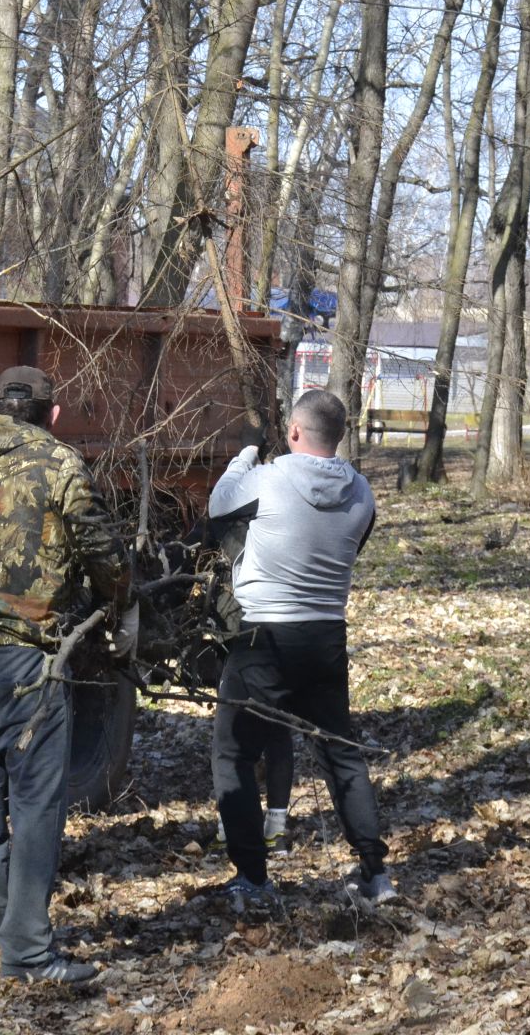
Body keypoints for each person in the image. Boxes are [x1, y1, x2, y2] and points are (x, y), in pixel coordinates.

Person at [0, 365, 132, 987]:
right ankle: (27, 954)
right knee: (38, 805)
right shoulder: (63, 466)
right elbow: (102, 549)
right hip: (28, 654)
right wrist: (121, 600)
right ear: (52, 415)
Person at [208, 388, 394, 912]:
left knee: (235, 755)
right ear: (337, 436)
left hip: (262, 639)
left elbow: (218, 507)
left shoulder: (265, 480)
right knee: (341, 754)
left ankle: (251, 876)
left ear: (293, 433)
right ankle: (374, 873)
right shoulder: (363, 494)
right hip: (325, 638)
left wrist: (246, 452)